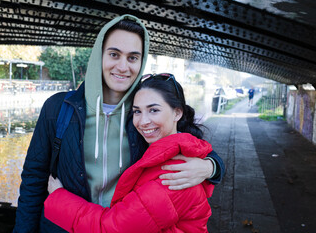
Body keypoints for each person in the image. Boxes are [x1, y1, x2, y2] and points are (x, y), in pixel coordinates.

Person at [13, 15, 225, 233]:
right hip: (61, 226)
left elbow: (191, 144)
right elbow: (34, 179)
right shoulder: (58, 108)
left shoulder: (143, 114)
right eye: (114, 54)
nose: (123, 66)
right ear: (99, 56)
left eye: (133, 58)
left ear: (141, 62)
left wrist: (211, 166)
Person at [44, 73, 215, 232]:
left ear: (177, 113)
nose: (143, 121)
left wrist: (58, 197)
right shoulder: (172, 153)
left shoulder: (175, 175)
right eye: (137, 111)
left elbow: (112, 228)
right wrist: (212, 166)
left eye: (154, 110)